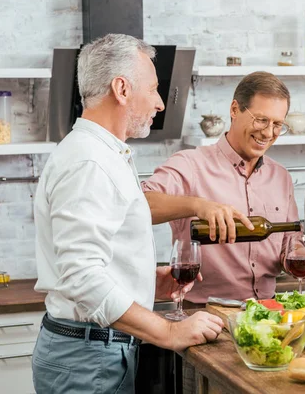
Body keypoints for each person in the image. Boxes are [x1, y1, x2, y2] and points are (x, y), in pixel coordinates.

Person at [32, 34, 223, 394]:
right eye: (152, 89)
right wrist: (168, 330)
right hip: (87, 360)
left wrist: (145, 281)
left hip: (93, 354)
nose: (160, 103)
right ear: (121, 88)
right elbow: (82, 276)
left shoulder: (100, 154)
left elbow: (92, 263)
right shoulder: (90, 162)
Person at [142, 71, 304, 304]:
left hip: (268, 312)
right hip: (204, 313)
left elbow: (289, 239)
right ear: (235, 110)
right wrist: (198, 206)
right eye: (261, 120)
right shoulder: (190, 164)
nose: (268, 133)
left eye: (277, 124)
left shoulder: (281, 176)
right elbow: (139, 204)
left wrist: (296, 253)